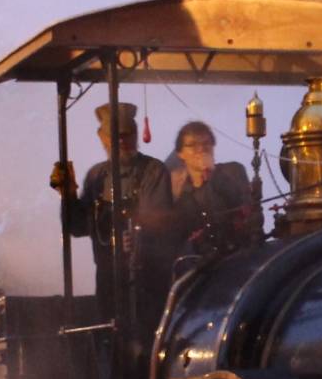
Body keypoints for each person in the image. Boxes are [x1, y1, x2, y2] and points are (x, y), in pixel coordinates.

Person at [55, 101, 169, 318]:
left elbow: (158, 221)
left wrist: (136, 230)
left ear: (135, 134)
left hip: (146, 279)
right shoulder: (95, 176)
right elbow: (78, 227)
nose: (121, 140)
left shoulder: (153, 171)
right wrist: (67, 194)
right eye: (115, 135)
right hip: (108, 280)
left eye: (126, 134)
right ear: (102, 138)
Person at [161, 120, 254, 256]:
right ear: (180, 154)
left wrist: (214, 176)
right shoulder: (179, 192)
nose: (201, 149)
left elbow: (245, 208)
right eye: (192, 145)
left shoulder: (234, 171)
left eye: (206, 143)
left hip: (239, 256)